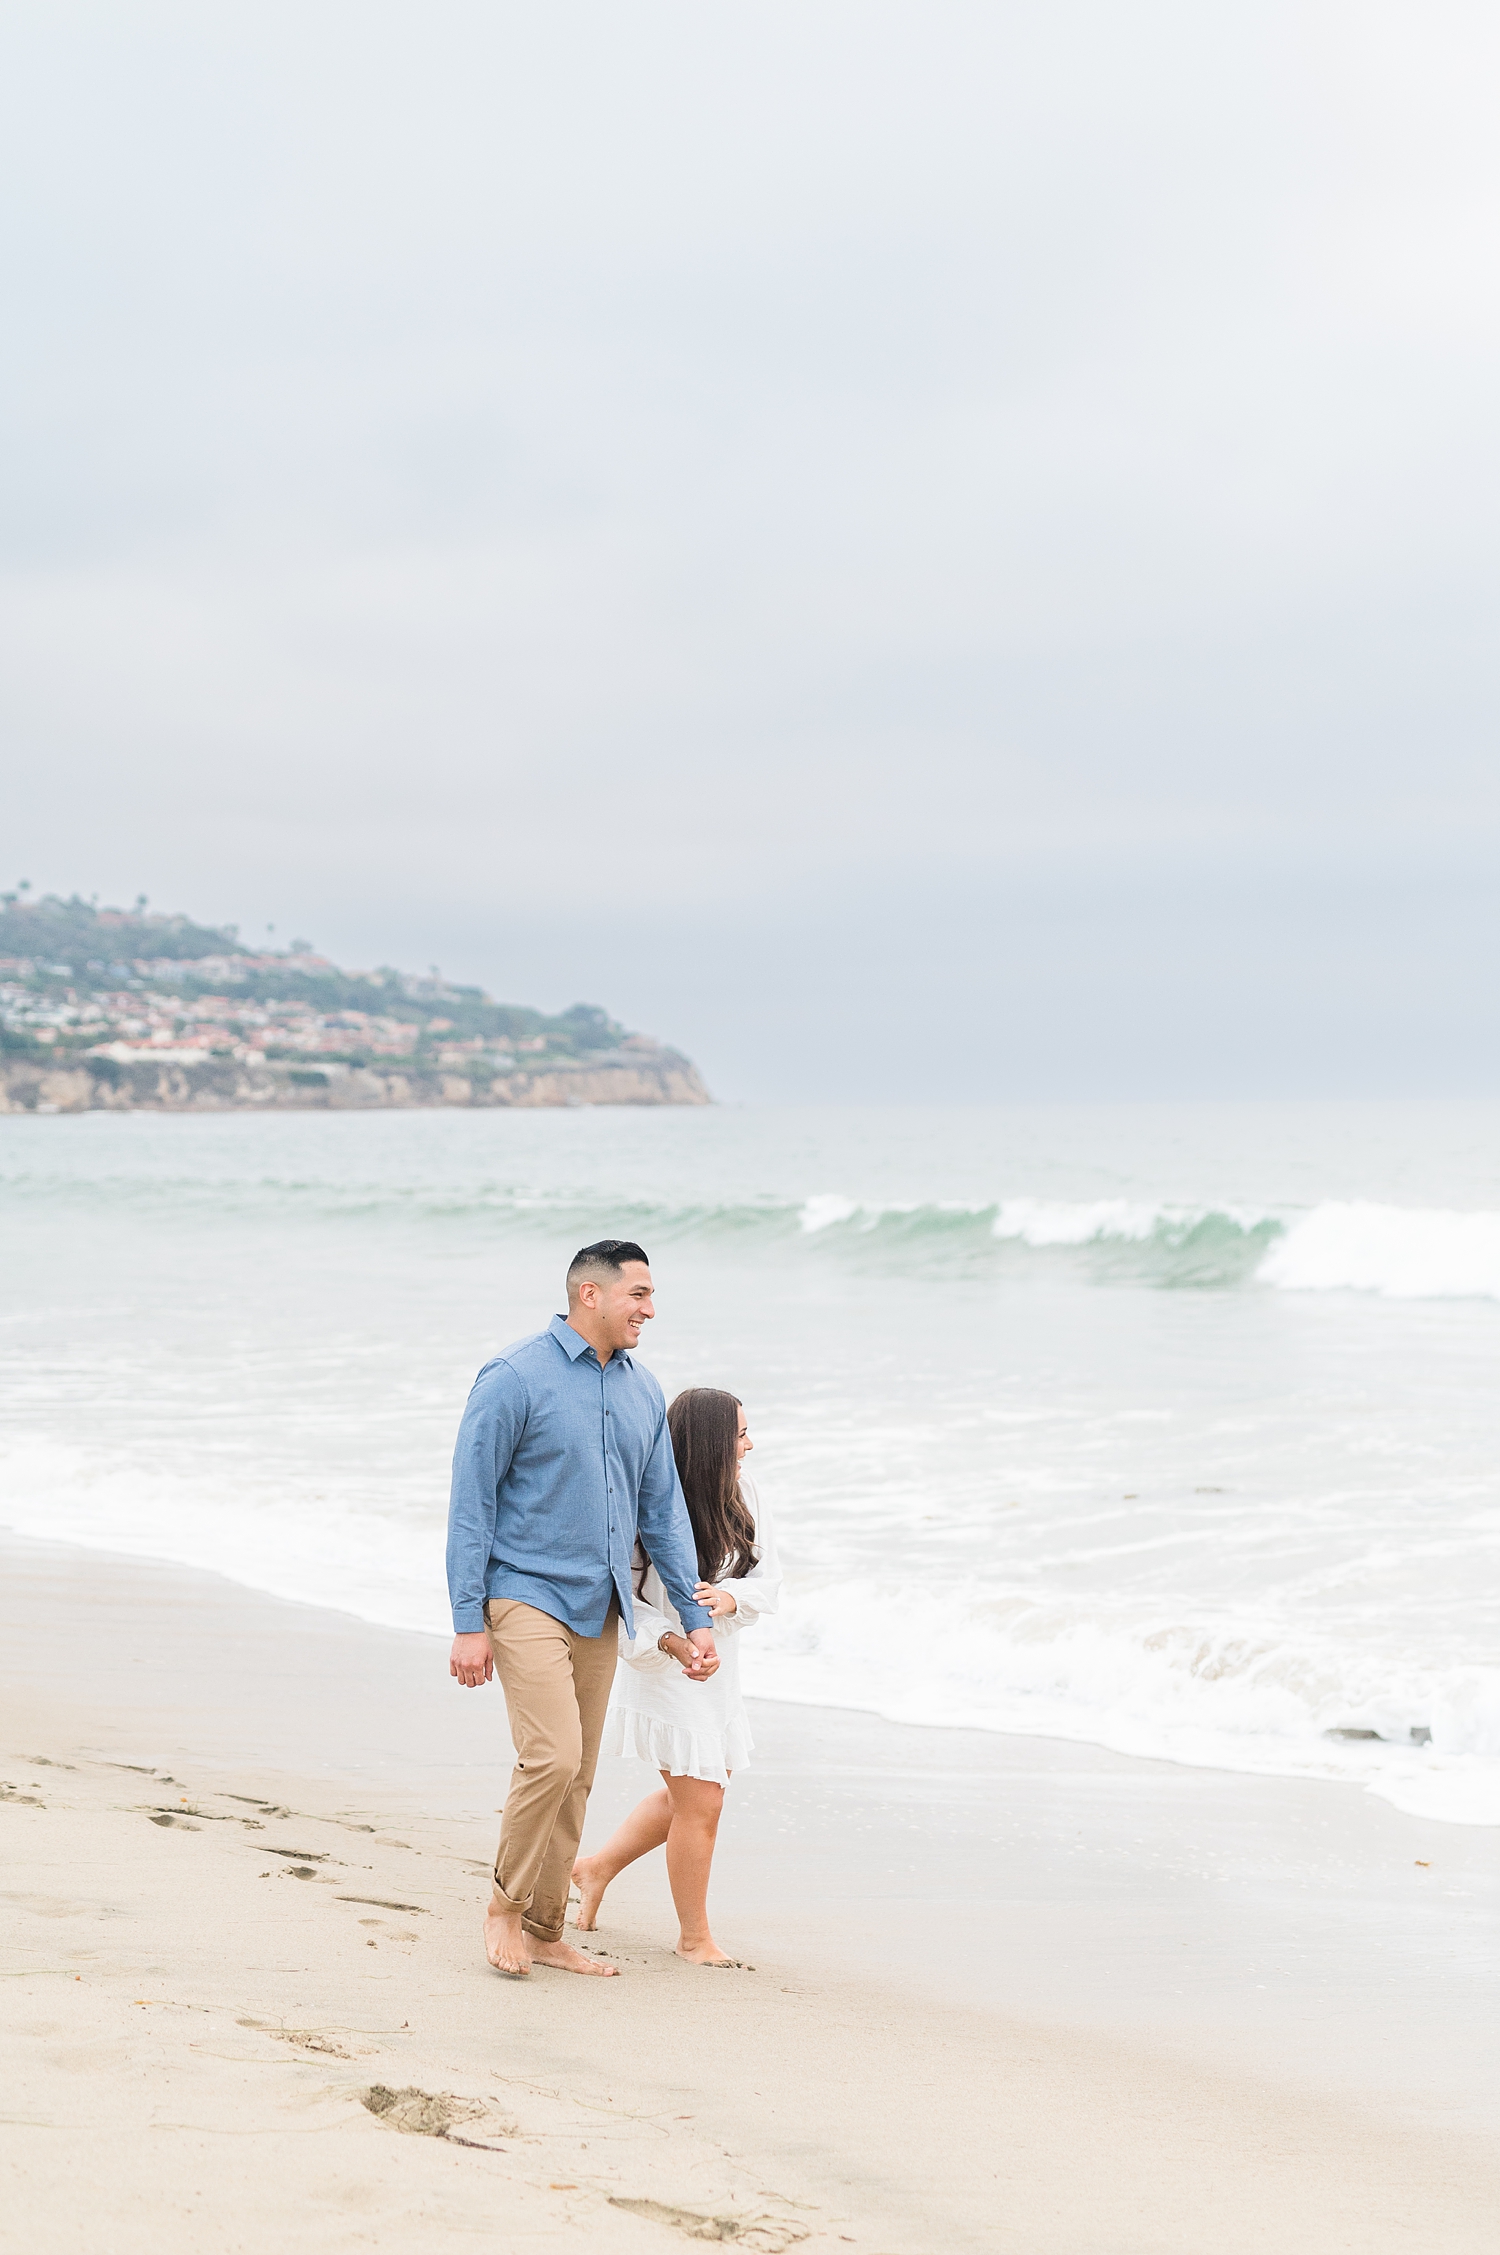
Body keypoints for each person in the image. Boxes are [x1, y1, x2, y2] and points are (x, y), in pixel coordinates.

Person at [445, 1240, 718, 1980]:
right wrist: (468, 1620)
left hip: (602, 1604)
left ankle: (543, 1926)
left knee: (580, 1772)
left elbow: (661, 1513)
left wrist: (695, 1618)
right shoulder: (513, 1377)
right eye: (639, 1294)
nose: (650, 1309)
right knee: (552, 1755)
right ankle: (502, 1907)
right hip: (522, 1590)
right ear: (589, 1295)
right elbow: (471, 1504)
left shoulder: (640, 1390)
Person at [571, 1387, 781, 1967]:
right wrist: (673, 1640)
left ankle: (595, 1869)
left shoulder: (745, 1492)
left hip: (720, 1666)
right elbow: (622, 1601)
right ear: (710, 1443)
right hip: (666, 1668)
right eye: (739, 1434)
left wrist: (728, 1598)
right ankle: (693, 1939)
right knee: (702, 1801)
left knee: (698, 1787)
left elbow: (770, 1579)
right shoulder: (642, 1502)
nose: (750, 1444)